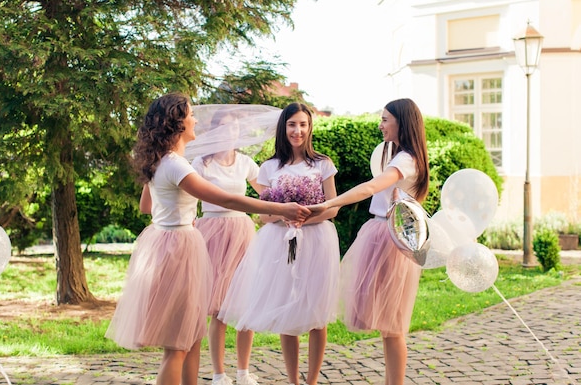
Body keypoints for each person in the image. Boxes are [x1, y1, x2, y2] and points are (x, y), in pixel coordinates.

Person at [105, 93, 311, 385]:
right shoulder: (178, 165)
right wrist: (280, 208)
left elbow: (145, 207)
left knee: (189, 340)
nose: (196, 120)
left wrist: (172, 211)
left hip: (171, 242)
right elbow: (227, 199)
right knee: (178, 345)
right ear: (176, 123)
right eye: (190, 115)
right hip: (178, 248)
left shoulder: (165, 161)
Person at [308, 98, 429, 385]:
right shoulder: (398, 154)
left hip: (390, 242)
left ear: (402, 122)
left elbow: (373, 187)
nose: (380, 125)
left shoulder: (405, 159)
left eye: (385, 119)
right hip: (382, 236)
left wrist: (330, 204)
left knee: (394, 324)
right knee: (389, 326)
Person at [218, 103, 340, 385]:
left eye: (303, 125)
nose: (298, 131)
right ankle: (293, 381)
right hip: (280, 242)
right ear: (283, 128)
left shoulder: (322, 164)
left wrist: (303, 220)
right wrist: (285, 217)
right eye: (292, 125)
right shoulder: (269, 167)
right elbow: (262, 215)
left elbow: (332, 207)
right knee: (290, 308)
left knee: (316, 311)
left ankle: (311, 381)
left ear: (310, 128)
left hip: (317, 240)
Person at [190, 109, 264, 385]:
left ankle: (244, 372)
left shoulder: (245, 163)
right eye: (222, 127)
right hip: (212, 232)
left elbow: (266, 194)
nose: (228, 133)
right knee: (218, 308)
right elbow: (187, 198)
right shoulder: (201, 163)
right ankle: (219, 373)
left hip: (242, 233)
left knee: (245, 304)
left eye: (233, 128)